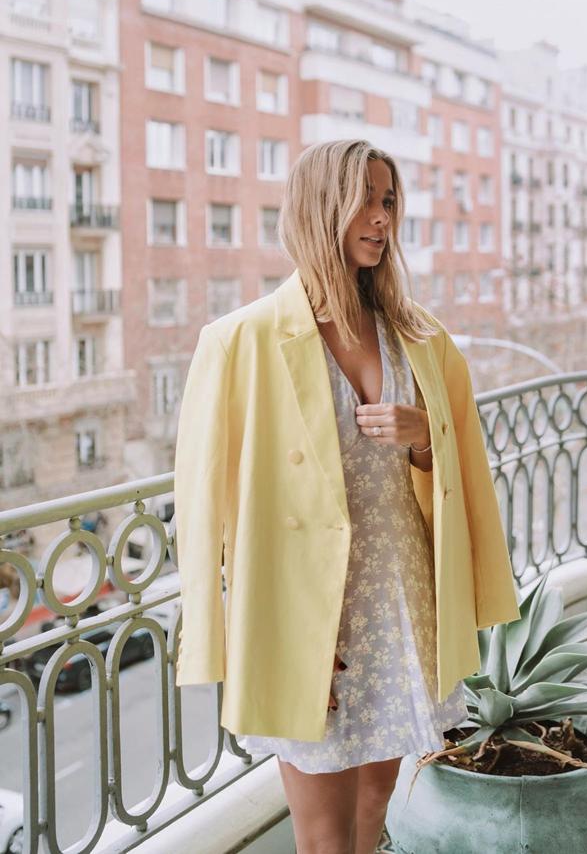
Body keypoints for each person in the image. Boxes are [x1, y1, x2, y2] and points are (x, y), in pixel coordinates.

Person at [173, 139, 521, 854]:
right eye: (363, 197)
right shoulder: (241, 341)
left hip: (399, 601)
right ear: (316, 205)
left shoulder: (419, 338)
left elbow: (459, 467)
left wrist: (426, 435)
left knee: (374, 811)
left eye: (389, 200)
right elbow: (204, 502)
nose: (381, 217)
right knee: (324, 837)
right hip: (307, 619)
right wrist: (234, 630)